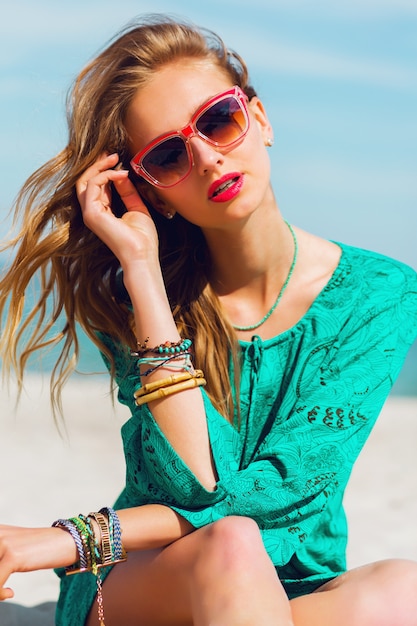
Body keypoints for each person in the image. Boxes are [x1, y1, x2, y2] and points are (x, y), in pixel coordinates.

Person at [0, 14, 417, 626]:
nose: (206, 158)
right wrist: (142, 269)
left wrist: (71, 537)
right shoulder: (140, 302)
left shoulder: (380, 294)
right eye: (168, 155)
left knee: (405, 588)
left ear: (261, 119)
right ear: (154, 193)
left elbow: (287, 493)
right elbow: (199, 485)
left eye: (219, 120)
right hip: (144, 583)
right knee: (232, 544)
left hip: (292, 585)